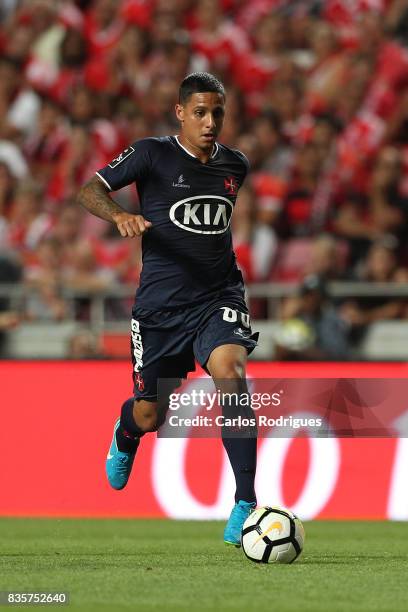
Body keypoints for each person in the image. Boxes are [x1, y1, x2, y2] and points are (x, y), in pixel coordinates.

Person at [78, 72, 259, 546]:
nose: (210, 121)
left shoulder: (235, 166)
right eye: (200, 112)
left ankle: (245, 501)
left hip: (218, 297)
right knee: (149, 415)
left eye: (217, 112)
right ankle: (126, 432)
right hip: (160, 310)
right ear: (180, 112)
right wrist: (119, 214)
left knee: (232, 374)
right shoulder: (151, 154)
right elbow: (89, 189)